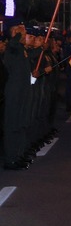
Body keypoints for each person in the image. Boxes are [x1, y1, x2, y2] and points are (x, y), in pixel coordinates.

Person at [3, 17, 31, 170]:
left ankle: (18, 155)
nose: (24, 33)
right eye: (21, 30)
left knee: (21, 124)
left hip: (23, 91)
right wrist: (18, 34)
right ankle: (10, 159)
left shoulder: (21, 49)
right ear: (14, 32)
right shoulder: (11, 48)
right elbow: (12, 44)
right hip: (14, 92)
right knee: (12, 125)